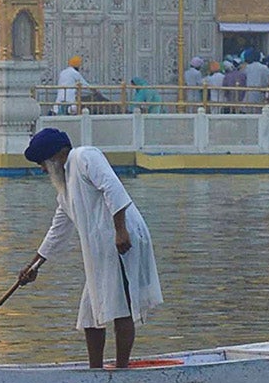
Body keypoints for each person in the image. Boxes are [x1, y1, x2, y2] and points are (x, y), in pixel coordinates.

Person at [16, 126, 163, 369]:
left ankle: (121, 370)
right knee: (89, 313)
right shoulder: (65, 191)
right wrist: (34, 266)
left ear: (56, 155)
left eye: (43, 163)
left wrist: (120, 230)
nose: (42, 169)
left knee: (121, 306)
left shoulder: (84, 156)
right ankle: (95, 372)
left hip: (122, 240)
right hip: (103, 251)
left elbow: (112, 187)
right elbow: (58, 230)